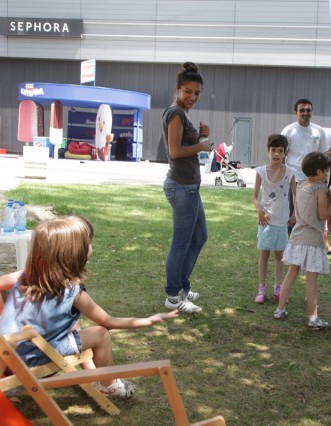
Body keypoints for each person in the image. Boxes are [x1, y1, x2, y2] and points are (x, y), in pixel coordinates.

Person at [0, 216, 179, 399]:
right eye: (88, 244)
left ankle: (91, 373)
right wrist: (148, 320)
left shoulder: (24, 276)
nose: (91, 247)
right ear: (73, 254)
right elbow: (107, 321)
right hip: (31, 361)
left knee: (72, 323)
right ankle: (108, 385)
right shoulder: (71, 291)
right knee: (100, 334)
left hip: (5, 358)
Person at [161, 62, 214, 314]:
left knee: (199, 237)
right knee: (181, 243)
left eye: (197, 93)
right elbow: (174, 151)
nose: (192, 97)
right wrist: (201, 146)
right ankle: (174, 295)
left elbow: (184, 143)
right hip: (181, 187)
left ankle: (182, 285)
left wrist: (199, 136)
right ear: (178, 89)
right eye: (188, 92)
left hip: (190, 187)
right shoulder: (175, 113)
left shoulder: (182, 114)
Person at [273, 152, 331, 329]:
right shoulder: (319, 188)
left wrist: (329, 196)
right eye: (327, 170)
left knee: (291, 274)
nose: (328, 174)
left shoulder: (301, 186)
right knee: (311, 279)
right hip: (313, 239)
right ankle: (313, 318)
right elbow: (323, 215)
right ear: (318, 170)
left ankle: (280, 309)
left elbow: (311, 208)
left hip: (297, 237)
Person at [281, 99, 331, 257]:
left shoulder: (319, 131)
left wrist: (324, 179)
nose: (305, 113)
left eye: (308, 110)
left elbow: (323, 155)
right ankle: (292, 247)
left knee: (318, 214)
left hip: (316, 180)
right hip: (294, 178)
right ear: (296, 112)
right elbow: (281, 156)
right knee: (294, 214)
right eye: (302, 110)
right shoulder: (288, 131)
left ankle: (323, 245)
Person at [252, 134, 297, 304]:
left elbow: (295, 194)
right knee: (264, 254)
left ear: (285, 153)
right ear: (268, 151)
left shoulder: (291, 172)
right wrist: (260, 212)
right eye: (273, 150)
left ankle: (278, 287)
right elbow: (255, 197)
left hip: (282, 220)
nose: (276, 154)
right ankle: (261, 288)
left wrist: (295, 214)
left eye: (280, 151)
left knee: (280, 256)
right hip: (266, 221)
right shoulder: (261, 172)